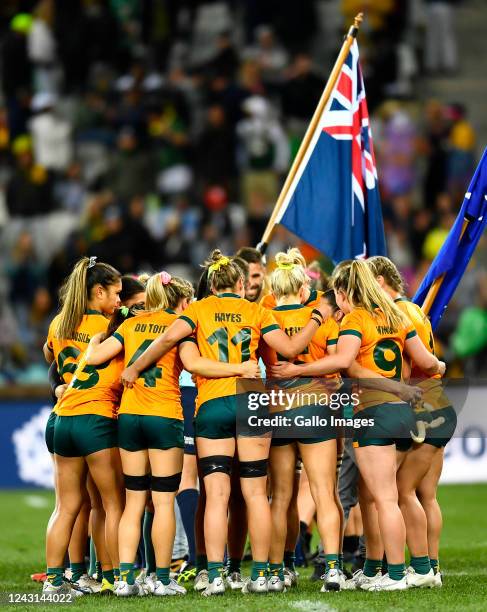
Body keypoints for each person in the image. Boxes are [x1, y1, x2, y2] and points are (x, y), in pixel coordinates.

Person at [118, 250, 329, 596]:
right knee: (256, 493)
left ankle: (214, 575)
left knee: (215, 495)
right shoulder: (258, 311)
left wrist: (136, 366)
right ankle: (261, 574)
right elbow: (289, 349)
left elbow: (168, 340)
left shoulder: (198, 310)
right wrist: (317, 318)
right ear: (242, 284)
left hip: (212, 404)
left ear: (211, 285)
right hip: (251, 401)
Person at [86, 269, 261, 597]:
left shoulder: (129, 324)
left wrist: (95, 340)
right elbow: (193, 364)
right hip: (164, 415)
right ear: (175, 300)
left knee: (133, 502)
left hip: (129, 415)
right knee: (163, 502)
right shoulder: (180, 328)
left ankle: (125, 579)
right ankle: (162, 578)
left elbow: (95, 357)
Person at [271, 260, 445, 591]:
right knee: (384, 495)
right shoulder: (396, 316)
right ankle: (408, 567)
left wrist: (294, 371)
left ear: (342, 291)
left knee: (384, 498)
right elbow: (424, 361)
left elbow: (342, 362)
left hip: (373, 411)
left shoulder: (356, 319)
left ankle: (394, 575)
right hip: (402, 413)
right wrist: (439, 363)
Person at [368, 255, 456, 588]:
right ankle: (432, 566)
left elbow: (404, 371)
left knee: (401, 491)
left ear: (379, 281)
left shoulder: (397, 314)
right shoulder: (415, 309)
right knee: (426, 495)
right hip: (439, 405)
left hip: (422, 409)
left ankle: (421, 568)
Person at [259, 248, 344, 592]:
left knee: (280, 498)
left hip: (277, 408)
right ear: (302, 285)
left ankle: (280, 570)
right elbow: (337, 367)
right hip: (316, 406)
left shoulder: (263, 317)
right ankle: (334, 569)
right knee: (324, 492)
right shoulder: (320, 318)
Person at [42, 256, 122, 595]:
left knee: (66, 506)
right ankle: (119, 578)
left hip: (62, 417)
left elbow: (49, 357)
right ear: (98, 291)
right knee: (112, 504)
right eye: (115, 293)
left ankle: (54, 582)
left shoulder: (58, 323)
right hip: (96, 417)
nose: (119, 300)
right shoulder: (110, 326)